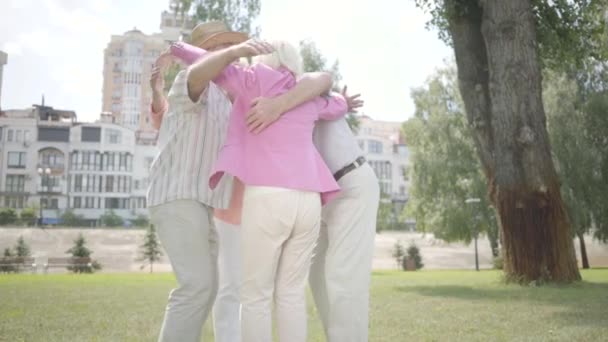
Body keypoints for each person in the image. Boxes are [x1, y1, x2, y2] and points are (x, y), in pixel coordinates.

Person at [147, 21, 337, 342]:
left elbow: (319, 82)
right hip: (178, 196)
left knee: (208, 288)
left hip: (208, 204)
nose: (230, 53)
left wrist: (280, 103)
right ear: (204, 53)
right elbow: (184, 90)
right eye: (219, 47)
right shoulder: (189, 79)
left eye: (230, 45)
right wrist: (233, 51)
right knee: (200, 287)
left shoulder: (234, 96)